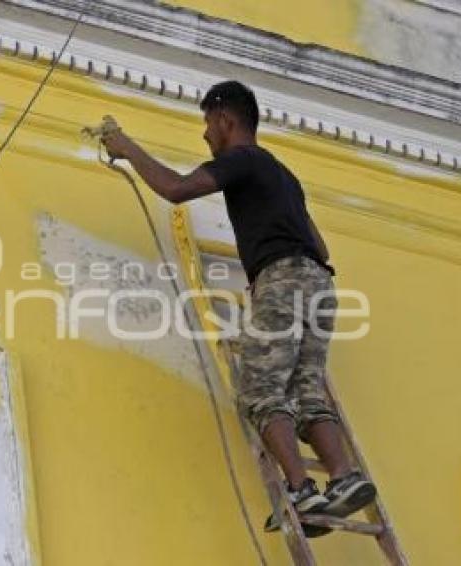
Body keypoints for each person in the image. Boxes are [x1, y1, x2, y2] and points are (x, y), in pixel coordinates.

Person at [100, 80, 376, 537]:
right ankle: (344, 479)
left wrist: (127, 147)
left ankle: (302, 489)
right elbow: (319, 243)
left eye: (208, 124)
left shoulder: (241, 160)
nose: (206, 135)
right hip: (320, 283)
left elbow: (175, 188)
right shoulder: (284, 175)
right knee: (308, 393)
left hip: (283, 278)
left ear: (225, 119)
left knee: (260, 389)